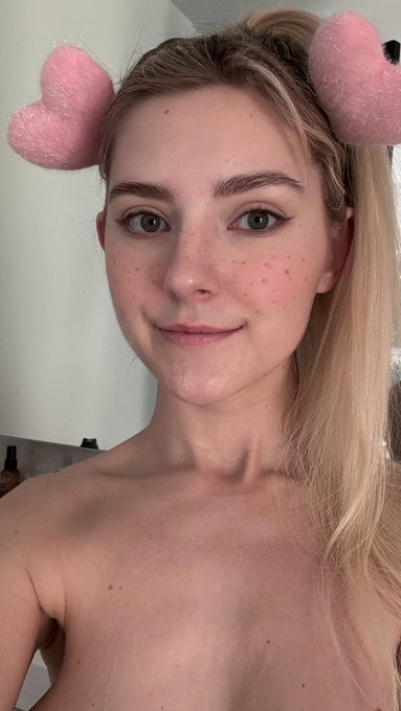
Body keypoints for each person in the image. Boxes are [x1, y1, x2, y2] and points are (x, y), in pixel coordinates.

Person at [2, 7, 401, 710]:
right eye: (147, 220)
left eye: (255, 217)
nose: (186, 275)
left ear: (335, 250)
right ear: (106, 238)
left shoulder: (388, 532)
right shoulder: (31, 529)